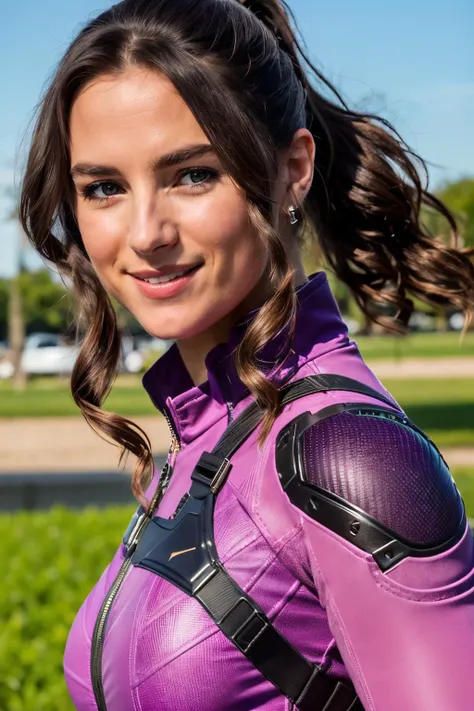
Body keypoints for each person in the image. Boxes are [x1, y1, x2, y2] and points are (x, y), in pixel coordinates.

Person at [19, 0, 474, 709]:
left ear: (292, 169)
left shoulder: (345, 453)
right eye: (104, 187)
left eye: (192, 174)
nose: (145, 232)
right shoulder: (204, 438)